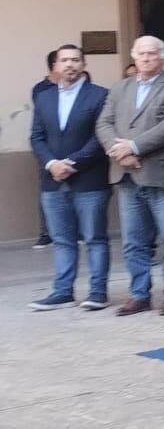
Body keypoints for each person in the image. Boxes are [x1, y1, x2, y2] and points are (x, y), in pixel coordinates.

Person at [95, 35, 164, 316]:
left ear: (162, 58)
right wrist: (119, 150)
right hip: (126, 174)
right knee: (133, 240)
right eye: (142, 54)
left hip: (162, 174)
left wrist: (135, 146)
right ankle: (139, 294)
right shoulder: (119, 89)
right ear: (134, 57)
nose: (147, 58)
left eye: (152, 54)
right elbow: (104, 122)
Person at [28, 45, 111, 311]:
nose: (70, 65)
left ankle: (98, 292)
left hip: (89, 180)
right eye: (64, 60)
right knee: (63, 240)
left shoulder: (100, 96)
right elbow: (37, 137)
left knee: (95, 238)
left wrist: (72, 163)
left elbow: (100, 137)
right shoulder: (45, 98)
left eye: (75, 60)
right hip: (53, 180)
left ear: (84, 64)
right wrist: (52, 163)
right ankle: (63, 291)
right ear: (55, 66)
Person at [31, 49, 61, 249]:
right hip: (48, 149)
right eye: (64, 61)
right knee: (48, 189)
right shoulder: (41, 89)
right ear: (54, 65)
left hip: (73, 145)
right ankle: (46, 233)